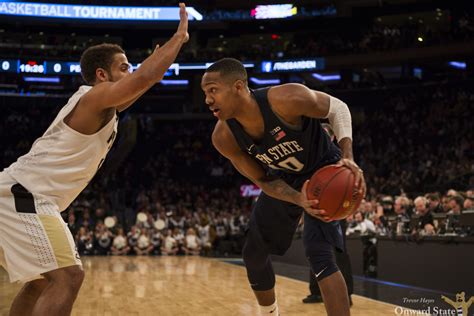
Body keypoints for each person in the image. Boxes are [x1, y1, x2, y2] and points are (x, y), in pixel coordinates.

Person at [0, 4, 189, 315]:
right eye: (124, 67)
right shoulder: (93, 96)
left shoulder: (105, 106)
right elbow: (143, 79)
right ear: (102, 74)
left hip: (19, 193)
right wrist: (178, 38)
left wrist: (156, 67)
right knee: (69, 276)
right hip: (27, 196)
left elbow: (143, 83)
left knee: (40, 282)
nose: (130, 71)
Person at [202, 58, 365, 316]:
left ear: (238, 87)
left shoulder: (286, 98)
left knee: (319, 255)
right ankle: (270, 313)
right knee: (253, 253)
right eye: (205, 93)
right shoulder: (224, 137)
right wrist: (296, 199)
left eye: (213, 90)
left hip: (325, 168)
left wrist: (348, 155)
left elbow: (339, 109)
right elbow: (264, 180)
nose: (208, 99)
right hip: (285, 178)